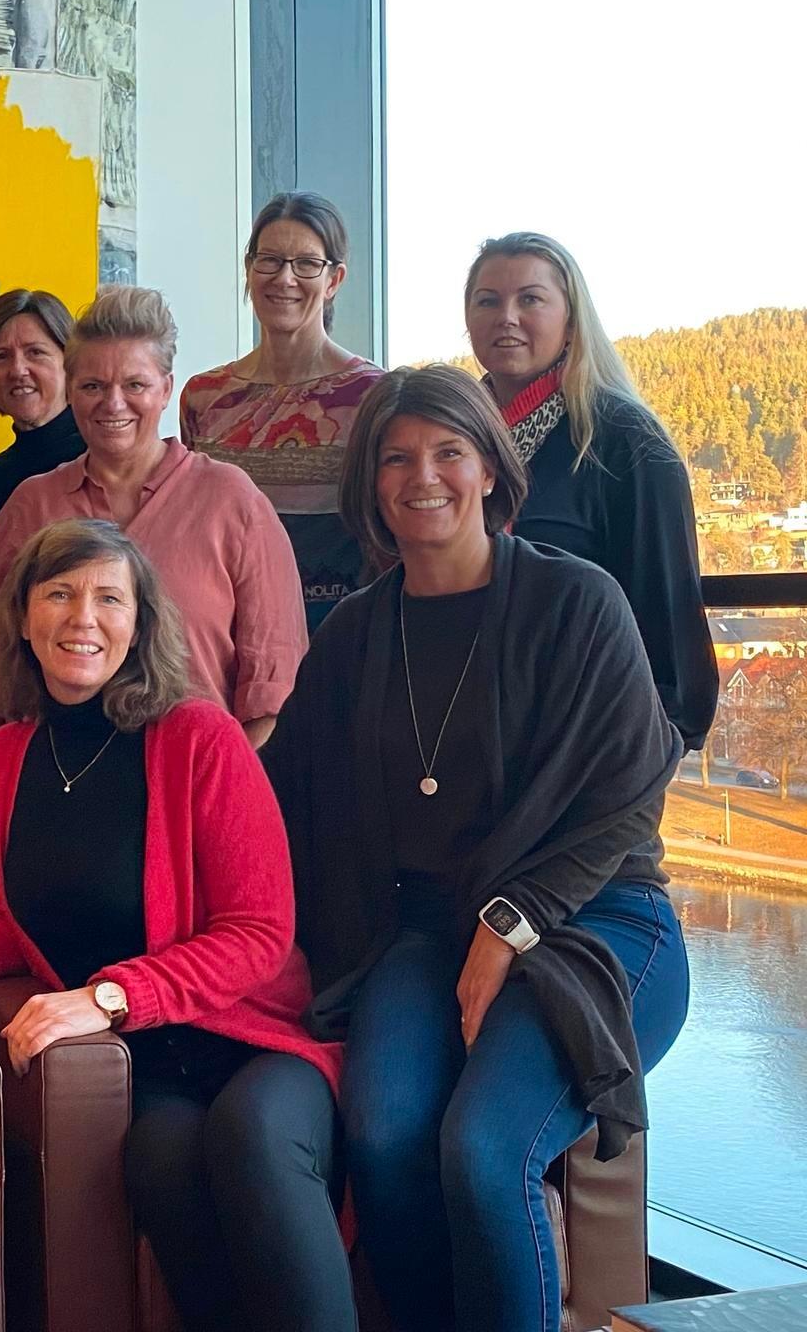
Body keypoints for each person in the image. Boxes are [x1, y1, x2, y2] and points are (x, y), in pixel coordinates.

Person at [0, 519, 352, 1332]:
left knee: (252, 1139)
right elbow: (7, 923)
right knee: (159, 1162)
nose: (84, 617)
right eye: (61, 594)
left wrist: (108, 997)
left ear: (139, 624)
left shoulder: (199, 737)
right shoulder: (5, 758)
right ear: (24, 617)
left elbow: (258, 932)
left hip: (254, 1041)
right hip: (153, 1068)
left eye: (110, 597)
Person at [262, 365, 690, 1332]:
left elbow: (630, 794)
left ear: (490, 469)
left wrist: (511, 921)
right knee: (382, 1134)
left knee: (486, 1149)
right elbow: (278, 794)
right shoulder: (354, 633)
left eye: (448, 452)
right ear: (370, 483)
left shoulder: (578, 600)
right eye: (396, 458)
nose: (424, 477)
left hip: (599, 919)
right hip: (424, 930)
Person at [0, 284, 306, 753]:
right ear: (71, 389)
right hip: (55, 783)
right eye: (93, 386)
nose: (113, 403)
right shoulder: (31, 507)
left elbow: (274, 693)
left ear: (166, 389)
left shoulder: (232, 503)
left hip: (197, 784)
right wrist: (4, 788)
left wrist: (223, 788)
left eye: (134, 385)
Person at [465, 230, 716, 749]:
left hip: (590, 733)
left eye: (530, 299)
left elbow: (666, 607)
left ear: (572, 320)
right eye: (488, 300)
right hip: (471, 725)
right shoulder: (456, 440)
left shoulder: (626, 440)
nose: (506, 317)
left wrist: (657, 742)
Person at [180, 192, 385, 629]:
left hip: (339, 631)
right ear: (249, 269)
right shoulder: (204, 396)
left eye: (306, 263)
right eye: (269, 260)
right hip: (229, 629)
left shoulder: (373, 395)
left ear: (334, 280)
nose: (285, 278)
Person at [0, 289, 85, 541]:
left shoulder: (100, 463)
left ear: (70, 363)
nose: (17, 370)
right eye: (1, 356)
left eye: (35, 352)